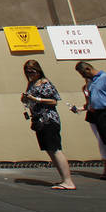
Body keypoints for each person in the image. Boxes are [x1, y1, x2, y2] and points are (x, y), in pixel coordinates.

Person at [20, 60, 74, 190]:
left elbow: (54, 101)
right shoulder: (31, 84)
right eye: (27, 72)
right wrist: (26, 99)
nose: (30, 74)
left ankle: (68, 181)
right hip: (38, 120)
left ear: (38, 70)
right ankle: (64, 179)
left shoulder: (45, 83)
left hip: (48, 119)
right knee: (50, 150)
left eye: (32, 72)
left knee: (55, 149)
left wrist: (36, 99)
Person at [76, 61, 106, 162]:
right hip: (98, 115)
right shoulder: (90, 82)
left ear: (88, 69)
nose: (82, 76)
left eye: (82, 73)